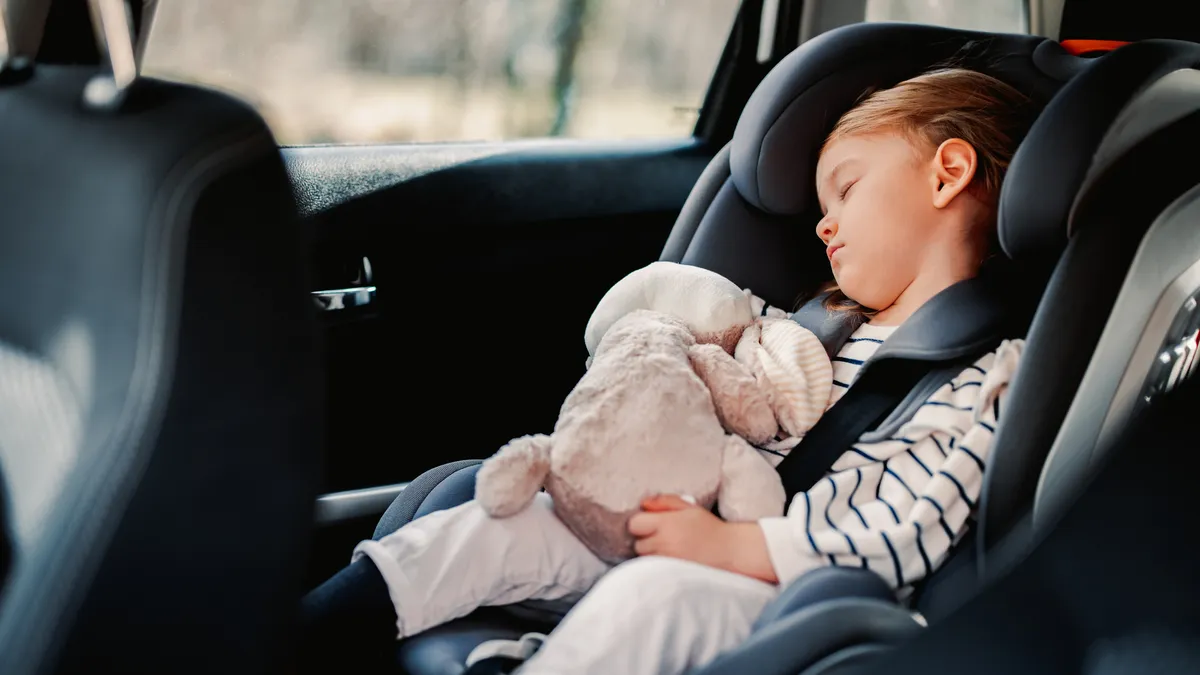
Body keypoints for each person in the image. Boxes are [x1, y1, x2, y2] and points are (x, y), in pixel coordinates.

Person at [294, 67, 1038, 675]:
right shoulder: (816, 328)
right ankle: (306, 637)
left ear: (948, 173)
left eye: (846, 188)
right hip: (690, 524)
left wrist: (732, 548)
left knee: (652, 596)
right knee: (496, 521)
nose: (823, 223)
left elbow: (909, 532)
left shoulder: (984, 375)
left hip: (798, 596)